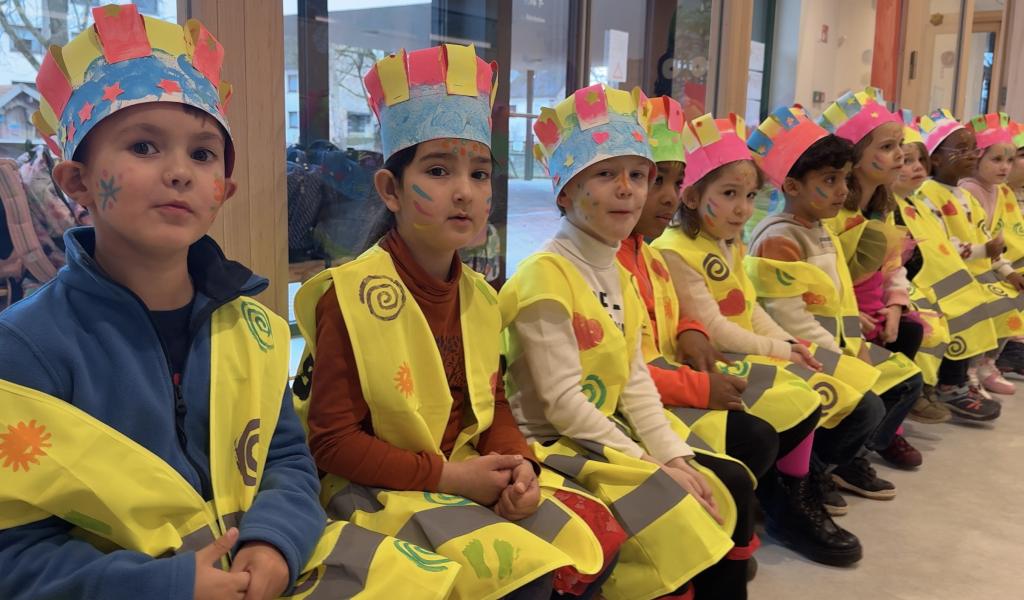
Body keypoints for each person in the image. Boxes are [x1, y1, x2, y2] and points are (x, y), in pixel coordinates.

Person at [0, 5, 459, 600]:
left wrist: (274, 542)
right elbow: (17, 551)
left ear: (225, 191)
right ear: (77, 181)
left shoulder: (256, 330)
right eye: (143, 146)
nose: (179, 173)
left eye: (202, 154)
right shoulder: (27, 349)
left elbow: (285, 461)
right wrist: (166, 585)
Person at [292, 44, 613, 600]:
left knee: (595, 537)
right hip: (370, 489)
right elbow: (333, 444)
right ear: (391, 190)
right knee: (522, 580)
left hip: (459, 472)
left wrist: (518, 465)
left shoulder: (483, 298)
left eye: (480, 173)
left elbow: (495, 405)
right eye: (438, 171)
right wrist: (445, 477)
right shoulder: (348, 297)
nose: (464, 190)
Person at [502, 83, 751, 600]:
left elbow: (635, 377)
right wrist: (650, 463)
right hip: (550, 448)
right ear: (566, 192)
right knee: (675, 517)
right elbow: (563, 405)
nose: (628, 189)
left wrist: (673, 455)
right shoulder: (544, 276)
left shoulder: (613, 269)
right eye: (605, 174)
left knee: (715, 487)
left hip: (601, 435)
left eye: (639, 175)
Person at [655, 110, 870, 567]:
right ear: (691, 197)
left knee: (838, 385)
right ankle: (790, 501)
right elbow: (714, 328)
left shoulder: (727, 242)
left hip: (742, 349)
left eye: (750, 195)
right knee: (801, 395)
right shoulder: (675, 250)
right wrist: (780, 350)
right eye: (729, 194)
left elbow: (747, 307)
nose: (742, 209)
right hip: (711, 361)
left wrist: (794, 346)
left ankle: (796, 486)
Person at [815, 89, 927, 469]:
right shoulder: (831, 211)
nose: (899, 155)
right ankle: (853, 449)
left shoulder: (883, 205)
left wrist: (896, 306)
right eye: (887, 147)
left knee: (908, 328)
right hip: (840, 311)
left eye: (900, 146)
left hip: (872, 305)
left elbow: (893, 265)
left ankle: (880, 433)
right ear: (855, 154)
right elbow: (824, 277)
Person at [913, 108, 1022, 421]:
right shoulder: (928, 195)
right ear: (934, 158)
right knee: (972, 304)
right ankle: (954, 382)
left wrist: (1007, 270)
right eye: (962, 150)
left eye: (973, 149)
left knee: (1009, 295)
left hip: (973, 272)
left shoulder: (964, 195)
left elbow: (986, 236)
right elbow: (945, 245)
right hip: (951, 277)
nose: (971, 156)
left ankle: (980, 367)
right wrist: (983, 251)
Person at [958, 113, 1024, 381]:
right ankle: (971, 367)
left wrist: (1009, 272)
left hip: (992, 263)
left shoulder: (999, 191)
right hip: (970, 266)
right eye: (997, 159)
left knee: (1017, 290)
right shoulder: (968, 190)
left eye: (1009, 160)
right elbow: (976, 239)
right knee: (996, 297)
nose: (1005, 167)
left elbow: (994, 240)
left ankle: (990, 360)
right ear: (977, 158)